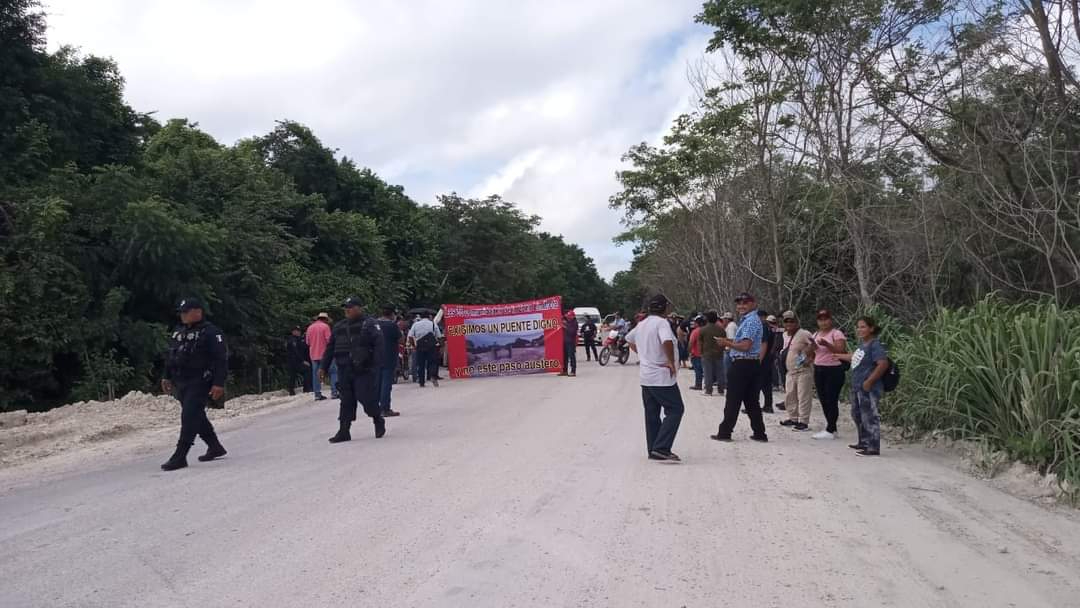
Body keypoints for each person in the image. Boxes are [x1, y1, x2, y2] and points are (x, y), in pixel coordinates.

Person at [160, 298, 228, 471]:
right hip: (181, 380)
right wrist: (166, 376)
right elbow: (171, 354)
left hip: (200, 380)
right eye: (181, 312)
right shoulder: (179, 331)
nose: (182, 315)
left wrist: (218, 383)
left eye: (186, 311)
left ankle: (180, 456)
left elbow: (221, 359)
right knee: (196, 415)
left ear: (197, 312)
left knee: (189, 415)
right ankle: (215, 446)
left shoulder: (212, 332)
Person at [625, 294, 684, 461]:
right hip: (661, 377)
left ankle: (653, 449)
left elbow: (629, 339)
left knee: (652, 413)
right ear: (664, 308)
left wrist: (644, 355)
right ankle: (662, 447)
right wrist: (671, 362)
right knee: (676, 409)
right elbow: (666, 341)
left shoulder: (642, 324)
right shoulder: (661, 323)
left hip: (646, 376)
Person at [323, 298, 385, 442]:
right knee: (346, 400)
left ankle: (377, 419)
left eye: (350, 307)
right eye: (345, 308)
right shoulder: (339, 326)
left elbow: (379, 345)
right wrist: (323, 367)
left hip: (363, 369)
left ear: (359, 308)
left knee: (366, 398)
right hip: (344, 369)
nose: (347, 310)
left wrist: (376, 365)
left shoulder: (369, 324)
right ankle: (344, 430)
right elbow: (330, 348)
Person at [710, 292, 769, 443]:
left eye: (745, 303)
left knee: (733, 399)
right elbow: (745, 343)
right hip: (752, 364)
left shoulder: (750, 321)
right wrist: (728, 341)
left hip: (743, 364)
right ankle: (760, 433)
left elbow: (745, 346)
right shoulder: (751, 320)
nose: (741, 306)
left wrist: (726, 343)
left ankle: (725, 432)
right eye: (739, 303)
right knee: (751, 401)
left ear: (753, 303)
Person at [835, 317, 889, 456]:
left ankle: (873, 446)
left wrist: (870, 381)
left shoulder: (875, 345)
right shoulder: (862, 344)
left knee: (869, 415)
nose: (860, 330)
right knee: (857, 414)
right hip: (857, 386)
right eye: (858, 327)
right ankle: (863, 441)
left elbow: (882, 364)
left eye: (863, 327)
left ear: (871, 328)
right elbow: (855, 357)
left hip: (869, 387)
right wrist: (838, 355)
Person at [812, 309, 847, 440]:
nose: (823, 322)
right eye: (821, 319)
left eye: (826, 319)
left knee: (831, 399)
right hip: (819, 367)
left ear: (830, 320)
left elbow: (841, 350)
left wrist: (827, 344)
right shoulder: (816, 334)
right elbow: (814, 352)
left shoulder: (836, 333)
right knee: (823, 398)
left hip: (833, 369)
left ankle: (830, 429)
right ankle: (831, 427)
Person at [778, 311, 815, 431]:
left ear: (797, 321)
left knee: (803, 396)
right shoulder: (784, 335)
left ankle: (804, 421)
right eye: (786, 321)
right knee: (790, 395)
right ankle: (793, 418)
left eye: (791, 321)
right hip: (790, 371)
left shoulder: (804, 333)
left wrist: (809, 359)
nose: (789, 323)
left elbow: (814, 345)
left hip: (803, 370)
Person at [375, 305, 402, 417]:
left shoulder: (374, 324)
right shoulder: (392, 325)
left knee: (377, 383)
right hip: (388, 357)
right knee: (386, 384)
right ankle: (385, 409)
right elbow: (401, 339)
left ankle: (375, 408)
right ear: (392, 314)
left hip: (375, 358)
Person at [307, 313, 338, 401]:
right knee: (333, 372)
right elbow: (329, 341)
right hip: (325, 355)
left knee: (316, 374)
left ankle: (317, 394)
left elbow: (307, 342)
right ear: (325, 319)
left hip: (314, 355)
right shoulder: (325, 327)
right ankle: (334, 392)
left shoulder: (310, 327)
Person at [408, 311, 442, 387]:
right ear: (429, 316)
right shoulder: (433, 324)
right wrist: (440, 346)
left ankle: (421, 382)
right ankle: (433, 376)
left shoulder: (415, 324)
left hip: (420, 347)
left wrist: (414, 345)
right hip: (431, 347)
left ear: (421, 317)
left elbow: (410, 336)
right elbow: (439, 337)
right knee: (432, 362)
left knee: (421, 365)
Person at [699, 311, 724, 395]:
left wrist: (701, 352)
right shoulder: (721, 330)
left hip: (707, 354)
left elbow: (700, 343)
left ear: (707, 319)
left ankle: (708, 390)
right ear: (716, 319)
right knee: (720, 372)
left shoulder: (703, 330)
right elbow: (724, 342)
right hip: (719, 353)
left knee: (707, 372)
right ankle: (721, 390)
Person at [756, 310, 777, 414]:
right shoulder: (770, 328)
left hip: (763, 358)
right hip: (769, 358)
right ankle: (768, 405)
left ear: (762, 317)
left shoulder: (763, 327)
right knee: (766, 384)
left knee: (757, 383)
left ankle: (753, 405)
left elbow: (763, 344)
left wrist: (759, 359)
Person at [285, 326, 310, 396]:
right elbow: (295, 352)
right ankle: (305, 389)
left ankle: (293, 390)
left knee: (293, 375)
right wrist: (303, 361)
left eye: (299, 331)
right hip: (294, 362)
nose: (299, 332)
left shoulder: (298, 339)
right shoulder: (292, 340)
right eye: (297, 331)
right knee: (306, 370)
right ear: (293, 332)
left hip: (295, 361)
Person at [559, 309, 578, 377]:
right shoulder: (568, 321)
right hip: (565, 341)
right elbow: (562, 317)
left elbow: (572, 332)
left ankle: (573, 371)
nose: (568, 317)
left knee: (571, 356)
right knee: (565, 357)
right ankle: (564, 371)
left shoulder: (574, 323)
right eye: (568, 316)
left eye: (569, 316)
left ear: (572, 316)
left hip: (571, 342)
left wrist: (565, 327)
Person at [688, 316, 705, 390]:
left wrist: (689, 351)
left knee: (698, 371)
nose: (693, 323)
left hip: (696, 354)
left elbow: (691, 342)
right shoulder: (705, 330)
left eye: (695, 322)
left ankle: (698, 385)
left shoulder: (695, 331)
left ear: (698, 323)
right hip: (705, 353)